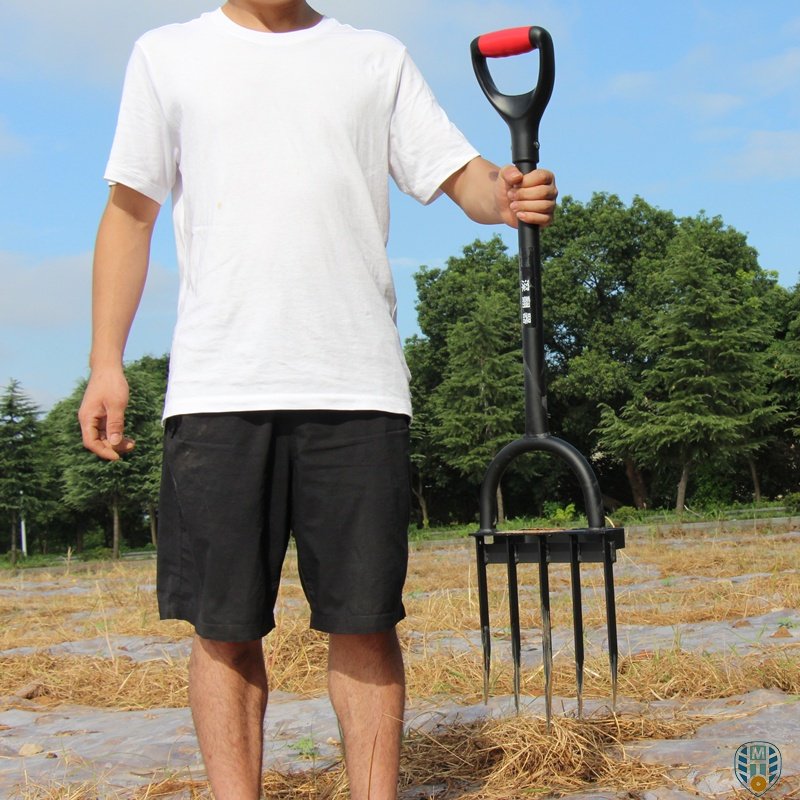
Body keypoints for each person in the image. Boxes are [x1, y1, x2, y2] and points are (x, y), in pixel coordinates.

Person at [78, 1, 557, 798]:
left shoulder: (374, 57)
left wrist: (503, 195)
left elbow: (458, 174)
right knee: (223, 630)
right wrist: (106, 362)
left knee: (365, 619)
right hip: (220, 386)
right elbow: (130, 215)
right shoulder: (168, 55)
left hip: (357, 383)